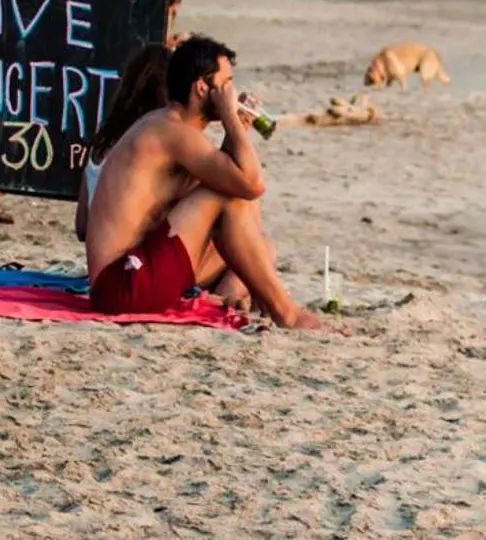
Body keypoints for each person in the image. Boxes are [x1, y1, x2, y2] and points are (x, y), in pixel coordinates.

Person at [84, 35, 321, 329]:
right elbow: (252, 184)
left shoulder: (175, 128)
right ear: (201, 88)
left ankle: (242, 298)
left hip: (132, 276)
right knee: (230, 196)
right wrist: (230, 118)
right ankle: (286, 313)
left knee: (262, 245)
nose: (231, 93)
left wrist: (238, 131)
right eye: (226, 85)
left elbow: (232, 182)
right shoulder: (170, 131)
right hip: (122, 284)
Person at [74, 43, 172, 244]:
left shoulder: (102, 143)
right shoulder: (155, 143)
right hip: (133, 259)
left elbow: (82, 227)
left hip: (97, 258)